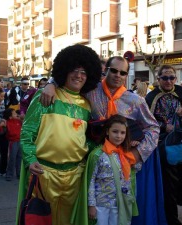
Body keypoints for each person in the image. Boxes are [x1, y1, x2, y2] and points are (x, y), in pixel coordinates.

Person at [41, 55, 163, 225]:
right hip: (92, 159)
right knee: (90, 208)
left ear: (126, 75)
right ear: (106, 70)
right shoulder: (90, 90)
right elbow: (69, 79)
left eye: (122, 72)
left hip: (121, 163)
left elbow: (153, 127)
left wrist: (137, 153)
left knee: (118, 209)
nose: (117, 75)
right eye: (114, 70)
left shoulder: (135, 101)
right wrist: (51, 84)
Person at [17, 44, 102, 225]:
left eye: (84, 72)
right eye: (74, 70)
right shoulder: (45, 96)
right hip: (44, 174)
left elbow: (85, 140)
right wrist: (30, 159)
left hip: (75, 176)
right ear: (65, 70)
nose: (79, 76)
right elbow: (27, 133)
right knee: (40, 220)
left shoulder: (87, 105)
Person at [145, 64, 182, 225]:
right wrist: (165, 126)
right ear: (158, 79)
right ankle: (171, 219)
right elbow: (146, 120)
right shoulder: (152, 97)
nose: (169, 81)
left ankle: (172, 212)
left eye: (172, 77)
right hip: (162, 145)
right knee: (168, 184)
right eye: (165, 77)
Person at [87, 115, 137, 225]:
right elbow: (90, 181)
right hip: (100, 205)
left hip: (119, 204)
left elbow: (131, 176)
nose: (119, 136)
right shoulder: (97, 155)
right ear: (107, 132)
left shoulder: (125, 155)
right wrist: (91, 205)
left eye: (122, 133)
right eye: (115, 131)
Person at [0, 108, 22, 181]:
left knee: (19, 158)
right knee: (12, 158)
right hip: (12, 142)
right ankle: (9, 174)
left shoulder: (19, 121)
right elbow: (1, 132)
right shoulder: (7, 123)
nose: (16, 114)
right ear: (10, 116)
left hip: (20, 141)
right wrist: (0, 126)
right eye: (14, 113)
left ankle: (19, 174)